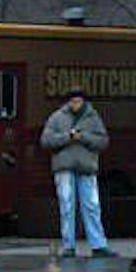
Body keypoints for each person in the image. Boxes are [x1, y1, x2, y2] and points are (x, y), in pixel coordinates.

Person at [40, 88, 111, 258]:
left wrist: (83, 137)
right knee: (67, 205)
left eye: (78, 101)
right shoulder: (57, 117)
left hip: (86, 167)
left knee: (92, 205)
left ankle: (98, 245)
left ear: (84, 101)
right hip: (64, 167)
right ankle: (68, 246)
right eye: (72, 101)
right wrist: (68, 137)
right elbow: (45, 141)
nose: (75, 104)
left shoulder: (93, 118)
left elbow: (103, 141)